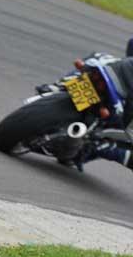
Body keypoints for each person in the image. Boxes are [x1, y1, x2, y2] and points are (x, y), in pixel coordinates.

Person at [36, 40, 133, 172]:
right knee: (99, 60)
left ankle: (92, 146)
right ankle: (60, 87)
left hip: (119, 115)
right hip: (117, 87)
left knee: (101, 59)